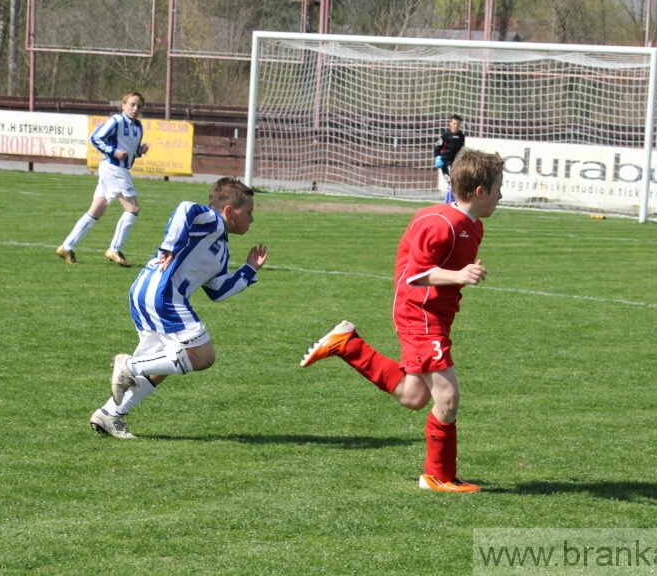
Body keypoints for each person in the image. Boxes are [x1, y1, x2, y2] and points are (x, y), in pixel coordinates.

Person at [300, 149, 503, 493]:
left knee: (414, 396)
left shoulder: (472, 225)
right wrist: (457, 275)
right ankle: (437, 476)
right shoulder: (442, 224)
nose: (502, 196)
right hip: (418, 313)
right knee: (447, 396)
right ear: (480, 191)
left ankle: (348, 345)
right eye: (499, 188)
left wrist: (456, 279)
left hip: (434, 315)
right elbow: (416, 277)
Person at [89, 177, 268, 438]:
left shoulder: (221, 250)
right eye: (248, 212)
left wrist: (249, 270)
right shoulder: (210, 220)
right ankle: (130, 365)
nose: (251, 219)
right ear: (229, 212)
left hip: (149, 293)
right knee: (203, 356)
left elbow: (218, 292)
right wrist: (170, 247)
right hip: (164, 295)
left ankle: (109, 415)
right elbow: (185, 207)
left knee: (164, 364)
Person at [56, 92, 150, 267]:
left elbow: (130, 149)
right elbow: (95, 137)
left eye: (139, 106)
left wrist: (139, 151)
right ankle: (114, 249)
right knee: (133, 208)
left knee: (96, 210)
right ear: (123, 105)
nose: (135, 109)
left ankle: (66, 247)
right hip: (114, 168)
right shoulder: (117, 121)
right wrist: (114, 152)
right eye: (132, 104)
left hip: (117, 169)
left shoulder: (138, 127)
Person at [433, 114, 466, 204]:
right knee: (451, 181)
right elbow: (437, 146)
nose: (456, 126)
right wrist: (438, 157)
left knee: (456, 182)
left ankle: (451, 202)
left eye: (458, 124)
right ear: (450, 124)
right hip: (445, 161)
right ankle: (448, 202)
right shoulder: (445, 135)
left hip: (455, 162)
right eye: (454, 123)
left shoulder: (461, 136)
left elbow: (461, 149)